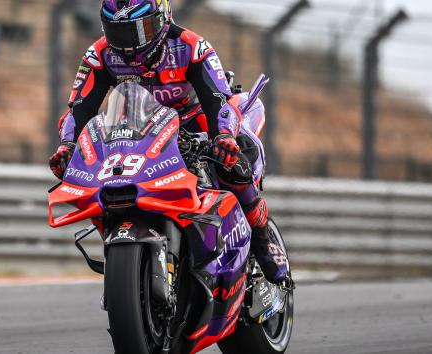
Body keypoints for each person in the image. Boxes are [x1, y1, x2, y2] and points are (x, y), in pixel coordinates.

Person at [48, 0, 288, 284]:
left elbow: (218, 101)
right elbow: (80, 109)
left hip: (196, 123)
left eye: (140, 29)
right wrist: (67, 145)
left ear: (162, 18)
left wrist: (223, 135)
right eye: (118, 32)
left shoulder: (191, 46)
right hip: (140, 130)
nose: (128, 44)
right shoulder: (98, 54)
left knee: (234, 162)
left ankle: (260, 233)